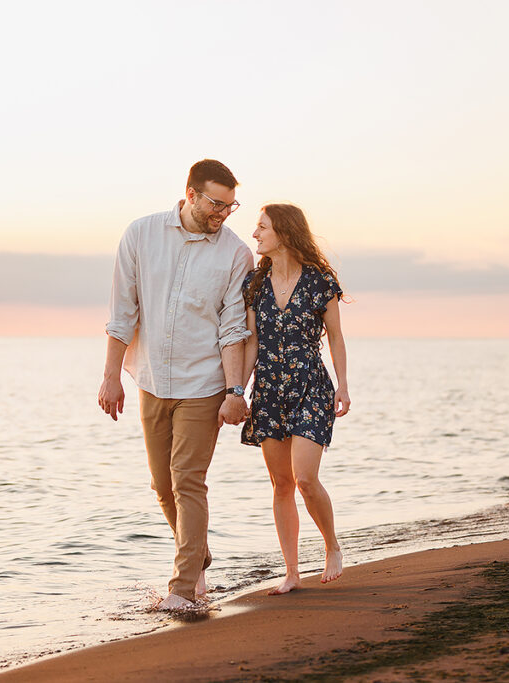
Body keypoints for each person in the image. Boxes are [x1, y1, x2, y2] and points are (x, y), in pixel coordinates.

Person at [98, 159, 254, 610]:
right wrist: (111, 376)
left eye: (230, 206)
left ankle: (183, 589)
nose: (223, 214)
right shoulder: (141, 235)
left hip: (203, 383)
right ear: (190, 194)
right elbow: (122, 313)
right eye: (215, 204)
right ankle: (198, 552)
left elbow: (232, 330)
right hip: (150, 379)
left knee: (188, 481)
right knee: (162, 486)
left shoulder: (235, 254)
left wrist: (233, 391)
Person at [239, 203, 350, 595]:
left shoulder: (320, 280)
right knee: (281, 484)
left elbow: (335, 336)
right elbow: (251, 342)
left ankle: (332, 546)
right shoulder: (255, 283)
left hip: (310, 387)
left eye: (261, 227)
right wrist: (237, 390)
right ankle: (291, 571)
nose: (255, 234)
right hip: (269, 390)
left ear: (283, 233)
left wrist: (343, 385)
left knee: (304, 477)